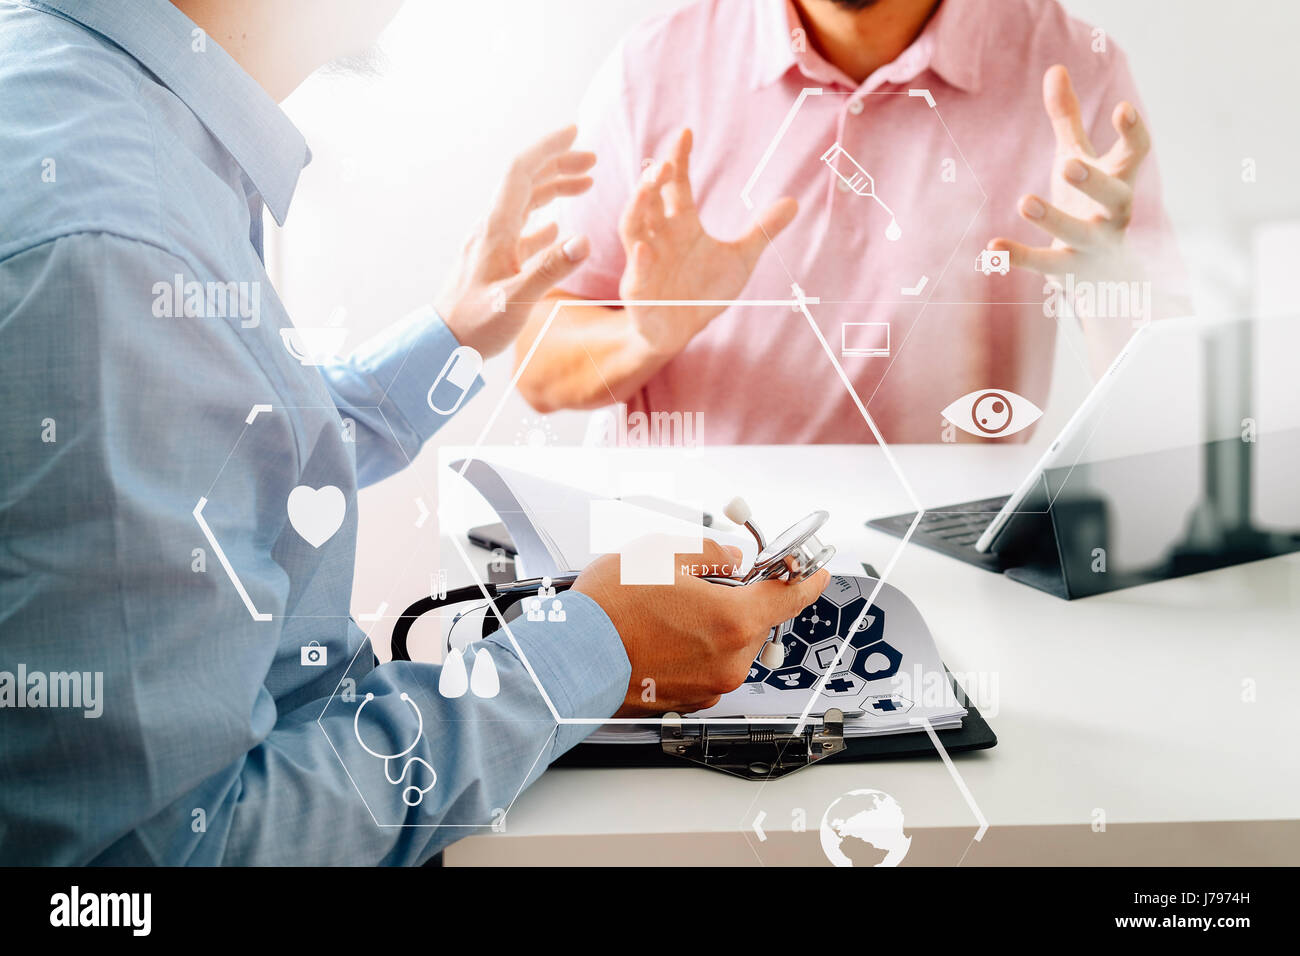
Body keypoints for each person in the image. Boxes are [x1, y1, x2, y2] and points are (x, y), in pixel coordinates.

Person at [0, 0, 827, 865]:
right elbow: (167, 857)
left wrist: (452, 334)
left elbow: (208, 461)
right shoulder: (112, 251)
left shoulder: (92, 114)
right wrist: (593, 649)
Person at [514, 0, 1184, 444]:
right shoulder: (656, 65)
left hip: (954, 574)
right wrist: (644, 336)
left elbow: (1174, 413)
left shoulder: (1075, 70)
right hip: (690, 582)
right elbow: (536, 365)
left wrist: (1111, 288)